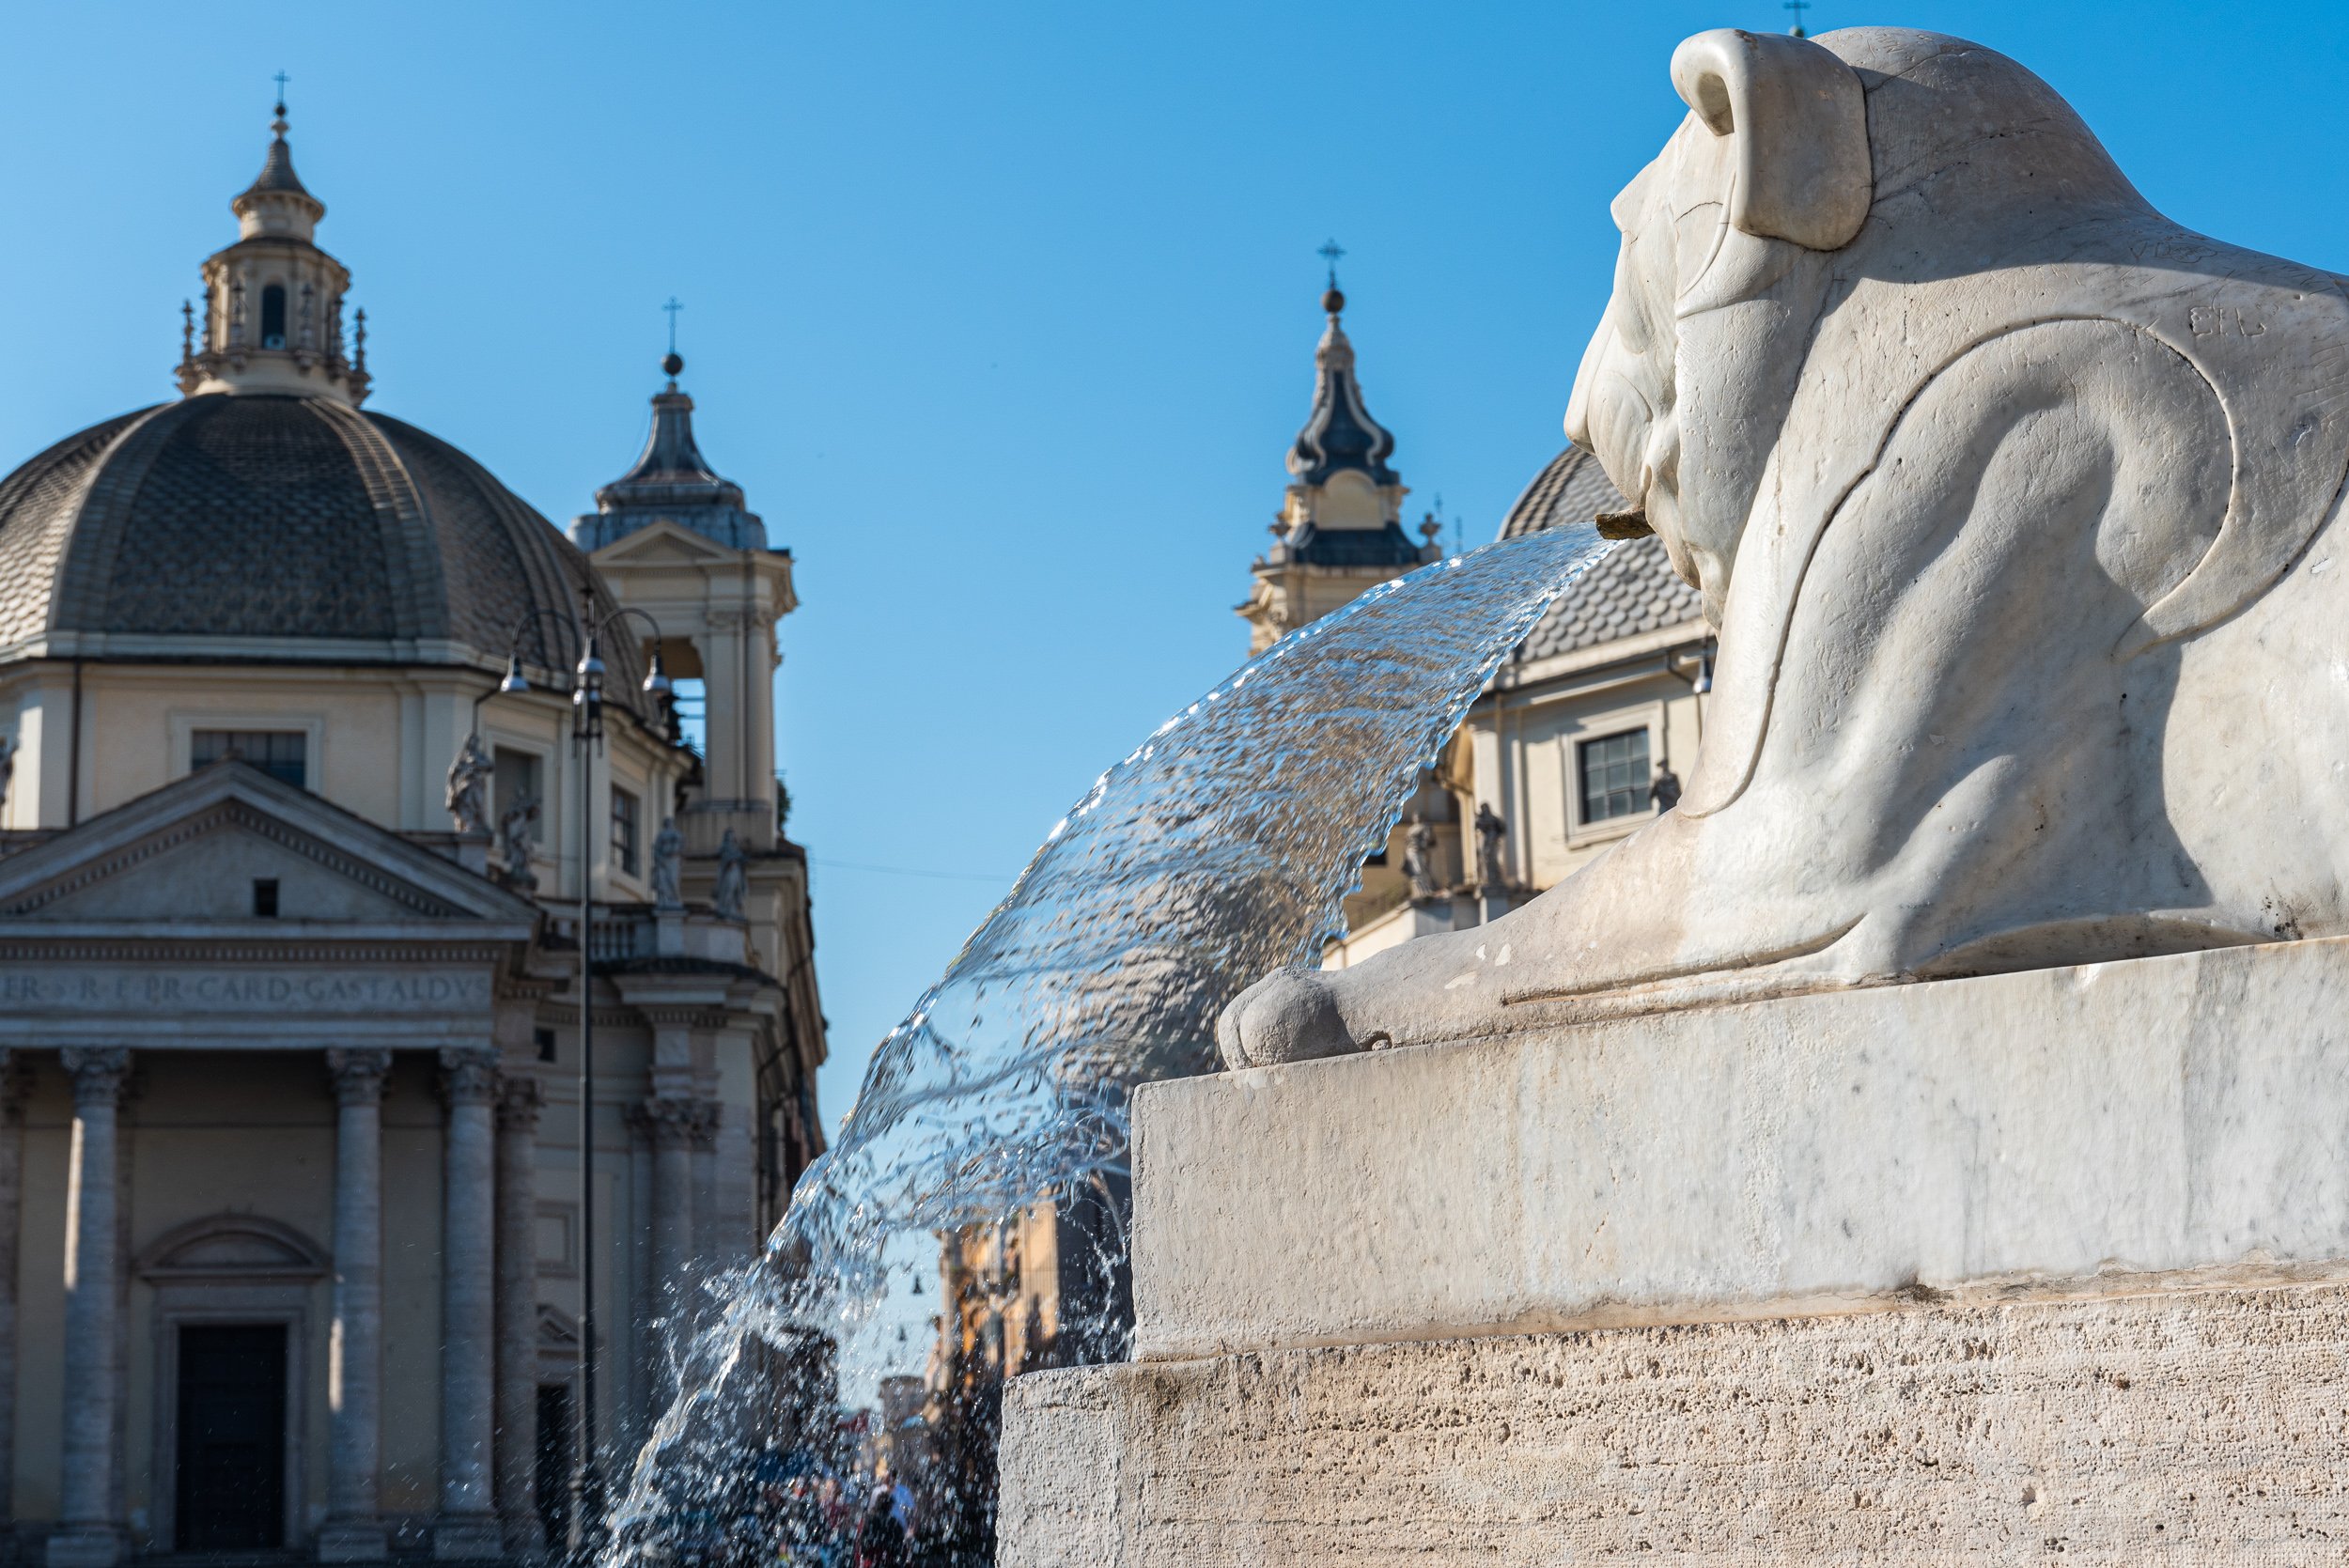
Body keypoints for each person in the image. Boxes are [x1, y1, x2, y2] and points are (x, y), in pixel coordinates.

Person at [854, 1486, 908, 1568]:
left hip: (871, 1561)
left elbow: (861, 1543)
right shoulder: (895, 1523)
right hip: (888, 1562)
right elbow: (900, 1547)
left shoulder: (867, 1519)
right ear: (890, 1507)